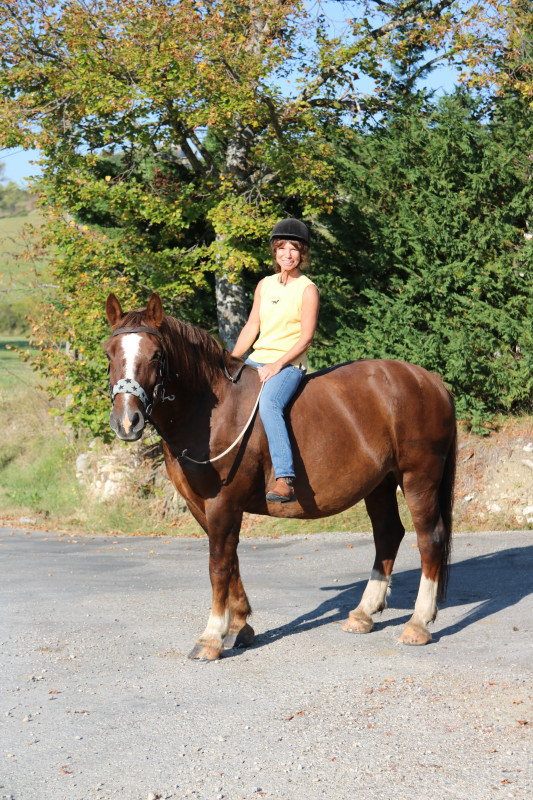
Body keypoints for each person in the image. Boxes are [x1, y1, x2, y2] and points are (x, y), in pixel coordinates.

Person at [231, 219, 320, 503]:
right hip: (256, 359)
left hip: (288, 365)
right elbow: (251, 326)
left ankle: (284, 478)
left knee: (269, 404)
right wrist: (232, 360)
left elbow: (306, 338)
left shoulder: (307, 289)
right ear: (275, 251)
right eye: (282, 248)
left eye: (294, 249)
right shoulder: (265, 285)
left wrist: (276, 365)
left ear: (302, 254)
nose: (288, 254)